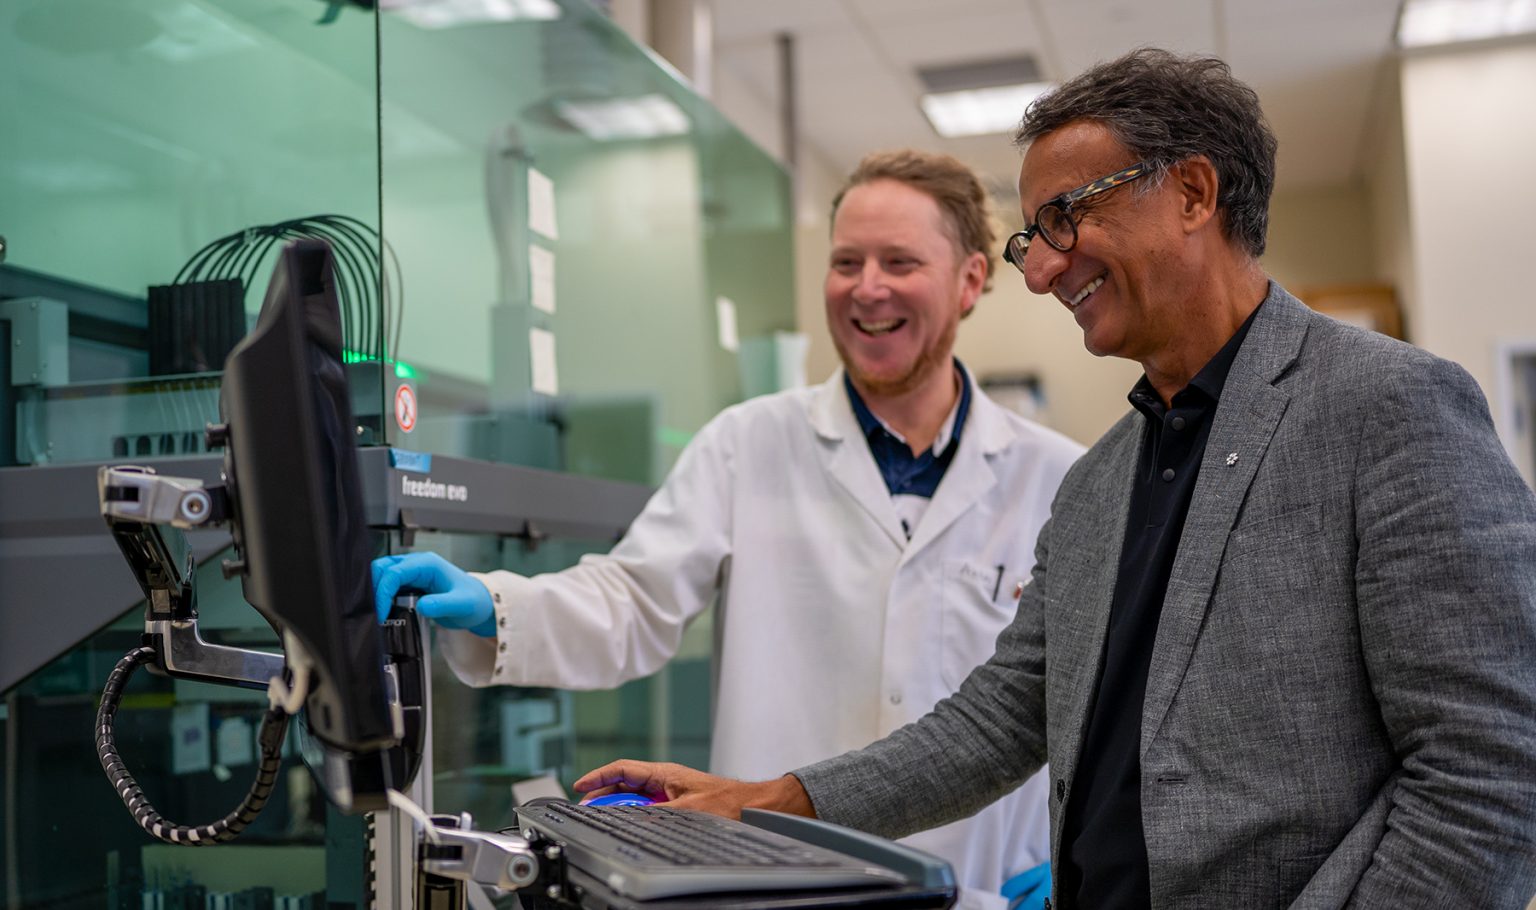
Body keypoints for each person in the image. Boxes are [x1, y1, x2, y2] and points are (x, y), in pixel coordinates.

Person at [573, 49, 1536, 909]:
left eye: (1066, 219)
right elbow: (1003, 716)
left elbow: (1494, 771)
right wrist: (766, 802)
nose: (1041, 272)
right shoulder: (1098, 482)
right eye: (1033, 237)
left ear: (1193, 192)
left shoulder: (1384, 407)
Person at [373, 149, 1086, 909]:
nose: (867, 286)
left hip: (980, 886)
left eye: (899, 261)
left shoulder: (1058, 476)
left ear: (970, 280)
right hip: (767, 877)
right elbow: (633, 598)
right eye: (846, 262)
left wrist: (1070, 850)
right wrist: (494, 604)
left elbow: (1079, 699)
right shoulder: (748, 443)